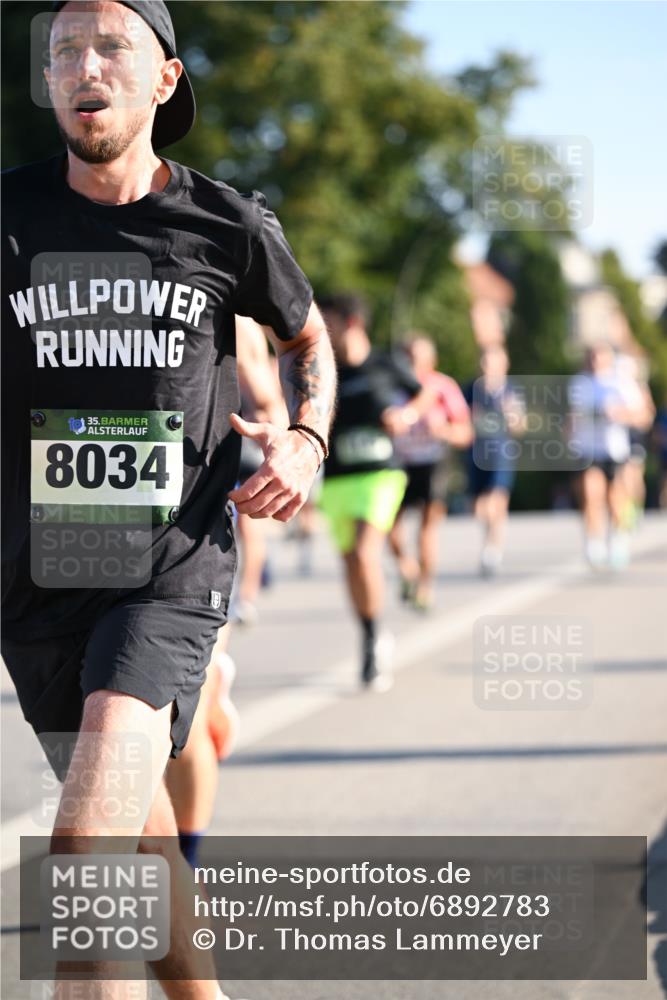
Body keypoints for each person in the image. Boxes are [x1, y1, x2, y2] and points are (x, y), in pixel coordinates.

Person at [1, 5, 336, 1000]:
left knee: (85, 850)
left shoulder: (226, 224)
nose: (83, 67)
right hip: (34, 581)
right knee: (142, 842)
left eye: (111, 47)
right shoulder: (7, 215)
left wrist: (307, 438)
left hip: (165, 576)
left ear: (165, 78)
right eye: (63, 51)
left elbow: (306, 338)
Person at [318, 294, 428, 689]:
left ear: (351, 323)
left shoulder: (385, 362)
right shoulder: (324, 369)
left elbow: (424, 392)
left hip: (381, 474)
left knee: (366, 554)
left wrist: (406, 414)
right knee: (351, 563)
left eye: (329, 322)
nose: (323, 330)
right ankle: (370, 634)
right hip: (338, 478)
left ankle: (372, 641)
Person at [388, 334, 472, 611]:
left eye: (419, 357)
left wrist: (444, 431)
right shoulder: (393, 384)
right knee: (389, 527)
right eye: (409, 356)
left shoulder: (443, 387)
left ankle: (425, 587)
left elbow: (465, 433)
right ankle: (407, 566)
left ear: (431, 360)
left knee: (427, 529)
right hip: (399, 463)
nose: (413, 362)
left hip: (433, 463)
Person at [568, 343, 653, 570]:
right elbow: (571, 416)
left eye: (601, 356)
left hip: (614, 450)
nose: (596, 361)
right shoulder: (580, 383)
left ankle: (618, 539)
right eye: (593, 356)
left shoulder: (621, 383)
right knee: (590, 495)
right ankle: (594, 541)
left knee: (616, 501)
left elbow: (644, 416)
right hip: (588, 450)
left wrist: (619, 413)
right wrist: (571, 433)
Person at [463, 345, 526, 576]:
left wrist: (510, 414)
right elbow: (460, 422)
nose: (487, 367)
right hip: (475, 454)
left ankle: (493, 550)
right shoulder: (471, 390)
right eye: (484, 362)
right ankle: (491, 542)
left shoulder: (511, 391)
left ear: (504, 364)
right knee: (477, 507)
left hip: (501, 453)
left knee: (495, 502)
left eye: (492, 362)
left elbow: (520, 426)